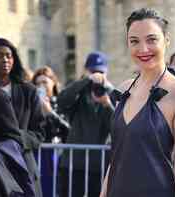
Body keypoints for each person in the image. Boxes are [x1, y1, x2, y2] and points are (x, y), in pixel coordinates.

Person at [99, 8, 175, 197]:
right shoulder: (124, 89)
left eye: (151, 40)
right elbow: (116, 158)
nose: (143, 49)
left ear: (166, 41)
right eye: (134, 41)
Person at [0, 38, 46, 197]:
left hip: (22, 165)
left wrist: (14, 139)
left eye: (8, 55)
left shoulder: (28, 91)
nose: (5, 59)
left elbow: (39, 133)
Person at [57, 51, 114, 197]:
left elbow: (118, 126)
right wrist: (86, 81)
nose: (97, 75)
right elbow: (62, 101)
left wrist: (107, 105)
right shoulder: (79, 90)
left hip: (98, 164)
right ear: (86, 71)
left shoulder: (111, 93)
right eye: (94, 71)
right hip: (73, 163)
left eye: (101, 72)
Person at [32, 66, 70, 197]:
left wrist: (50, 113)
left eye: (44, 82)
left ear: (53, 83)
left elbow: (68, 130)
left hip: (56, 155)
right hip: (37, 154)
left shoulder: (62, 103)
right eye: (37, 83)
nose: (41, 86)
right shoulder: (31, 106)